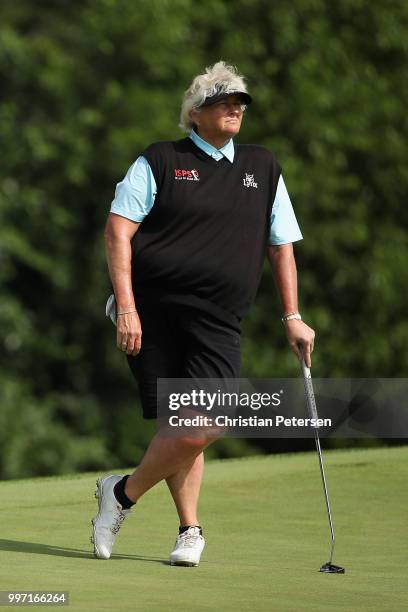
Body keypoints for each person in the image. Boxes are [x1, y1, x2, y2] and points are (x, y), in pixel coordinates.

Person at [91, 61, 315, 565]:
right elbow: (117, 231)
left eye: (239, 102)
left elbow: (282, 247)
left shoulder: (263, 166)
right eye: (222, 101)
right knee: (182, 421)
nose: (235, 108)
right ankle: (190, 530)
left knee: (203, 420)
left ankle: (121, 493)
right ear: (195, 113)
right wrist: (126, 309)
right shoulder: (160, 160)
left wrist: (292, 315)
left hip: (219, 319)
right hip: (153, 313)